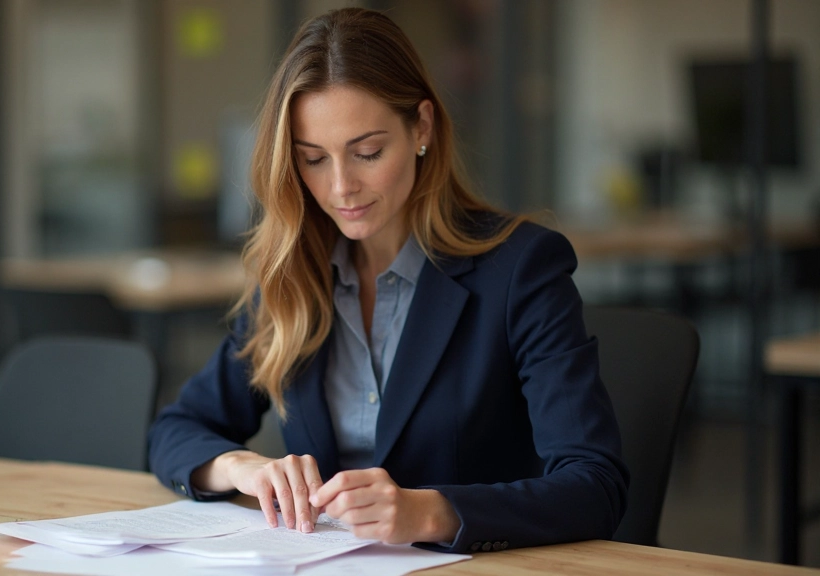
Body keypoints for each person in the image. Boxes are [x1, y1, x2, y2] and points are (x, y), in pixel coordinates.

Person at [149, 7, 628, 554]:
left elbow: (595, 486)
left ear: (421, 127)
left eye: (368, 152)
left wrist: (432, 511)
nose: (340, 187)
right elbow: (174, 431)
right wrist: (242, 467)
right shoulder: (294, 274)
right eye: (312, 160)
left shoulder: (521, 270)